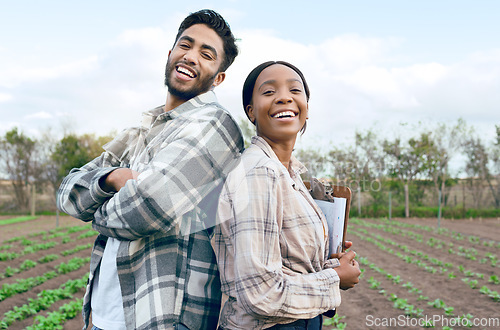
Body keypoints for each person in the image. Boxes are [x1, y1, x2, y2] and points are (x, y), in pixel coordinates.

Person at [57, 9, 243, 330]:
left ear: (219, 78)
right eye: (185, 45)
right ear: (170, 53)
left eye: (206, 54)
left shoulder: (215, 125)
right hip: (104, 314)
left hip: (160, 317)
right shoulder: (138, 132)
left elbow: (147, 209)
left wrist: (96, 210)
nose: (191, 56)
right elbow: (67, 194)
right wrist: (113, 179)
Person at [212, 61, 361, 329]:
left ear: (305, 107)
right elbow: (261, 293)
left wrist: (331, 266)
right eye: (269, 92)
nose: (284, 97)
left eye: (295, 90)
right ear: (251, 112)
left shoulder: (288, 174)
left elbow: (291, 266)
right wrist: (335, 279)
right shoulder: (258, 173)